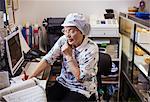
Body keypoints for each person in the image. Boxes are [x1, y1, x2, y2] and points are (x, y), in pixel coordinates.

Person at [29, 13, 99, 101]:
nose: (67, 35)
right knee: (42, 99)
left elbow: (80, 78)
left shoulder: (91, 48)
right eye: (65, 30)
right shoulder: (63, 40)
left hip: (82, 89)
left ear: (82, 31)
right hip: (63, 82)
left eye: (71, 31)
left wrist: (68, 56)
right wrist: (31, 77)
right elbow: (48, 59)